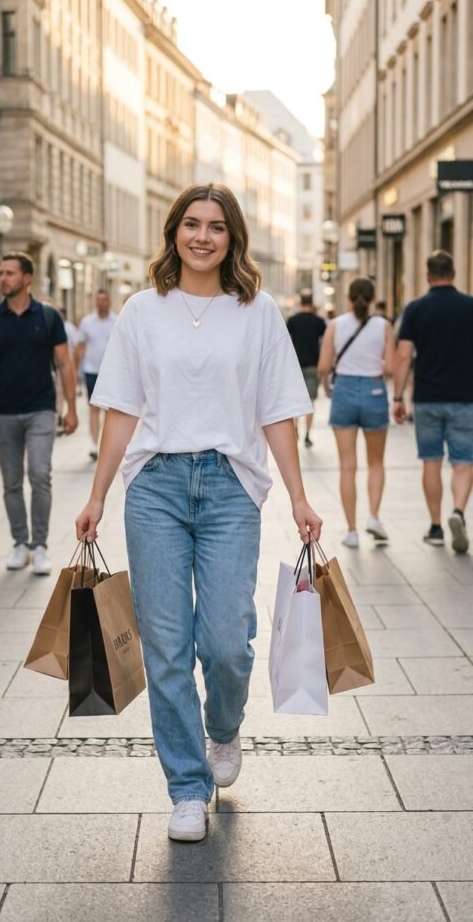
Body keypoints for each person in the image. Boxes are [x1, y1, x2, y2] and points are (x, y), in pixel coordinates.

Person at [75, 182, 322, 843]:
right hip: (154, 486)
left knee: (225, 642)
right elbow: (122, 407)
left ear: (232, 236)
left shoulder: (257, 310)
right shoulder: (141, 310)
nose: (203, 236)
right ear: (173, 232)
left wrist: (298, 496)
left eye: (216, 226)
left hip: (229, 488)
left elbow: (275, 409)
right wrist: (98, 494)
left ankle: (225, 728)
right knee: (166, 646)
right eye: (192, 224)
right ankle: (186, 787)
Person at [0, 251, 78, 575]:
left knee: (40, 475)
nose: (3, 278)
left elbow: (64, 363)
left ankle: (41, 546)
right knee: (11, 482)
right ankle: (20, 542)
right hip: (3, 411)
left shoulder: (47, 316)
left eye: (9, 273)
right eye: (1, 272)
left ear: (27, 278)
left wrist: (72, 408)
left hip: (41, 410)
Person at [393, 249, 473, 553]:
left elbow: (403, 356)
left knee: (431, 461)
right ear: (454, 274)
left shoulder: (415, 309)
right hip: (466, 397)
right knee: (464, 462)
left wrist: (398, 396)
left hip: (427, 398)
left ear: (428, 275)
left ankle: (437, 526)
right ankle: (459, 512)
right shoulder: (470, 307)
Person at [318, 276, 394, 548]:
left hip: (345, 393)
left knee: (347, 466)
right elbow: (390, 369)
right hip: (374, 390)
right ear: (372, 299)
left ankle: (351, 531)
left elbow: (324, 366)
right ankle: (374, 517)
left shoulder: (335, 325)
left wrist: (328, 387)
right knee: (376, 462)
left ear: (349, 299)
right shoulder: (384, 326)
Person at [75, 290, 117, 460]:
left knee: (109, 411)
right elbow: (80, 347)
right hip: (91, 370)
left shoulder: (117, 320)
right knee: (93, 408)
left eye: (104, 300)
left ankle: (106, 445)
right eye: (99, 300)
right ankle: (93, 444)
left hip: (112, 372)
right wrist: (76, 371)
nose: (102, 304)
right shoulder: (87, 322)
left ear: (109, 302)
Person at [287, 290, 326, 447]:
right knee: (310, 403)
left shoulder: (292, 320)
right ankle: (308, 435)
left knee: (295, 401)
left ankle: (295, 428)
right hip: (312, 366)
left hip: (294, 366)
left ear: (300, 303)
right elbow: (323, 343)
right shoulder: (319, 322)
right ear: (312, 303)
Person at [55, 307, 79, 434]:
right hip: (54, 365)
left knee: (61, 391)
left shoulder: (69, 328)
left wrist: (74, 365)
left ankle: (60, 413)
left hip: (65, 363)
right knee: (57, 392)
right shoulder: (52, 325)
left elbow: (75, 346)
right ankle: (57, 414)